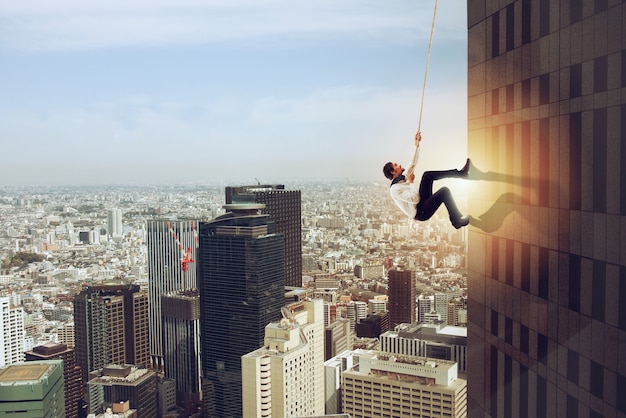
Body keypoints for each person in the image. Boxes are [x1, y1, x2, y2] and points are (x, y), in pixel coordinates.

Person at [382, 131, 470, 229]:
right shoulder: (395, 189)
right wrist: (411, 182)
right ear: (393, 172)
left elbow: (412, 163)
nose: (399, 165)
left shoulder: (402, 177)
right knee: (444, 191)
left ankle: (461, 174)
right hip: (421, 212)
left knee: (427, 175)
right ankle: (456, 221)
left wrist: (416, 144)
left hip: (421, 202)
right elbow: (414, 199)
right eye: (396, 165)